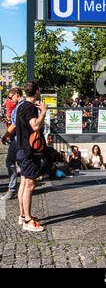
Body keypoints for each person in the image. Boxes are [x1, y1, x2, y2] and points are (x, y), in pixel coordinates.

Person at [15, 82, 47, 232]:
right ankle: (28, 220)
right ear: (37, 91)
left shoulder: (21, 106)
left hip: (21, 149)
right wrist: (43, 112)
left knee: (23, 183)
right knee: (30, 185)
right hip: (29, 151)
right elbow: (35, 126)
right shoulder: (30, 108)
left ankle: (23, 216)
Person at [1, 87, 25, 200]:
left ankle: (12, 189)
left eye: (11, 97)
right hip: (21, 139)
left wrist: (4, 136)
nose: (10, 100)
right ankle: (21, 188)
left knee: (10, 161)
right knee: (21, 163)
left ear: (16, 94)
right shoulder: (22, 105)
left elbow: (15, 125)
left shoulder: (20, 106)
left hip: (17, 139)